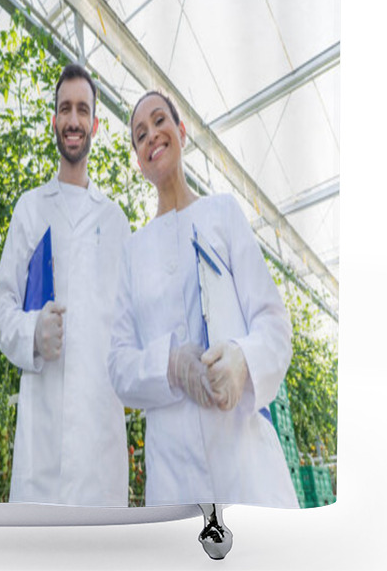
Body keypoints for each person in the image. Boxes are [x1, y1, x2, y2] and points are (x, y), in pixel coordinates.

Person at [107, 91, 299, 508]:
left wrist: (242, 360)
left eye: (160, 122)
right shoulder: (133, 253)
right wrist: (170, 366)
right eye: (140, 134)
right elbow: (119, 365)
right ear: (139, 162)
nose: (152, 135)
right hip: (174, 478)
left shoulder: (224, 213)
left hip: (245, 462)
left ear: (181, 132)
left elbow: (274, 323)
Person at [0, 64, 131, 506]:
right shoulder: (30, 209)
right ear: (53, 120)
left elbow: (131, 326)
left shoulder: (116, 222)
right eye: (65, 109)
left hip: (100, 441)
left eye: (82, 110)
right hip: (43, 437)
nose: (73, 120)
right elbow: (2, 305)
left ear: (95, 125)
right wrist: (32, 332)